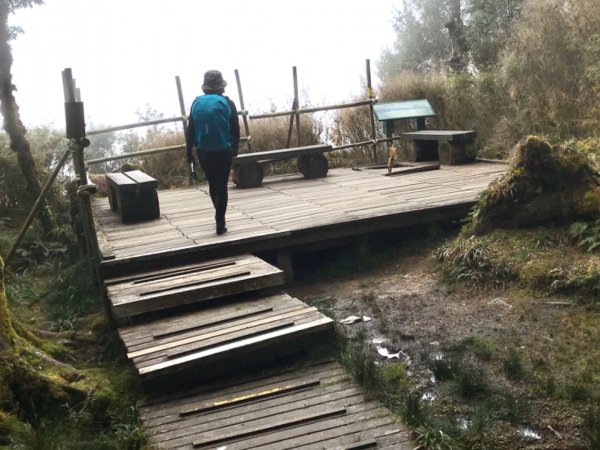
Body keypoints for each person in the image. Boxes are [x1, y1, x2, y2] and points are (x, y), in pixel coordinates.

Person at [186, 70, 240, 235]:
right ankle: (220, 221)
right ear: (221, 87)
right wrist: (234, 151)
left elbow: (190, 130)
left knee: (212, 184)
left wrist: (189, 153)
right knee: (222, 185)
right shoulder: (228, 103)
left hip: (204, 150)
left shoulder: (196, 103)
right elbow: (235, 130)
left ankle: (218, 214)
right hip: (224, 150)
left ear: (205, 88)